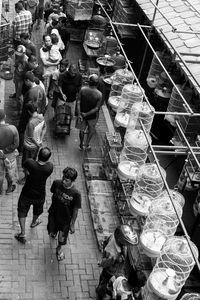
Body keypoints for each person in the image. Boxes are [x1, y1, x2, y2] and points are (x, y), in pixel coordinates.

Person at [15, 147, 53, 244]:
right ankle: (33, 222)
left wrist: (27, 172)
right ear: (48, 158)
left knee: (22, 211)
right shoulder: (49, 167)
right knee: (37, 209)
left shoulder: (30, 162)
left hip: (27, 192)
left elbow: (24, 167)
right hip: (40, 194)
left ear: (38, 154)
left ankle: (23, 233)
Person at [47, 167, 81, 261]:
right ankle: (53, 233)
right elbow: (52, 192)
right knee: (51, 229)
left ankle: (58, 249)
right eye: (63, 178)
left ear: (72, 181)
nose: (63, 181)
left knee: (61, 238)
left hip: (65, 220)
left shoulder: (76, 194)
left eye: (66, 180)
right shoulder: (56, 183)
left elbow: (75, 210)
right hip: (53, 214)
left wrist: (72, 224)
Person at [96, 224, 138, 300]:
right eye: (127, 243)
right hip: (110, 271)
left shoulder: (115, 238)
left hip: (115, 268)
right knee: (104, 283)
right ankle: (100, 294)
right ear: (121, 240)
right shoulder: (112, 252)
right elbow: (104, 263)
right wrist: (116, 259)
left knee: (106, 282)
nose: (128, 245)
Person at [18, 71, 47, 153]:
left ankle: (21, 149)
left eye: (25, 81)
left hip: (29, 117)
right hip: (39, 115)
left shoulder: (30, 93)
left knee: (23, 131)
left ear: (27, 80)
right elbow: (44, 103)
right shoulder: (41, 88)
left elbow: (28, 108)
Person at [76, 74, 102, 150]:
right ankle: (86, 144)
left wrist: (79, 114)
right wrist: (86, 114)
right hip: (92, 116)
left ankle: (81, 144)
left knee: (81, 130)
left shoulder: (83, 89)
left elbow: (78, 102)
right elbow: (96, 108)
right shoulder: (99, 94)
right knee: (91, 130)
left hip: (81, 113)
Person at [0, 110, 19, 194]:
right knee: (10, 174)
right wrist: (5, 150)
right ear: (5, 117)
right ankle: (9, 188)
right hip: (10, 156)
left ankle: (0, 191)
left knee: (0, 175)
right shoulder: (13, 129)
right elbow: (16, 144)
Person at [11, 44, 29, 113]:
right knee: (17, 93)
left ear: (24, 53)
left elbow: (25, 73)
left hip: (21, 80)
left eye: (20, 54)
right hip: (16, 77)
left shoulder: (25, 60)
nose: (18, 55)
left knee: (19, 95)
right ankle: (17, 106)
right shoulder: (17, 57)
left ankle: (19, 110)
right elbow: (16, 67)